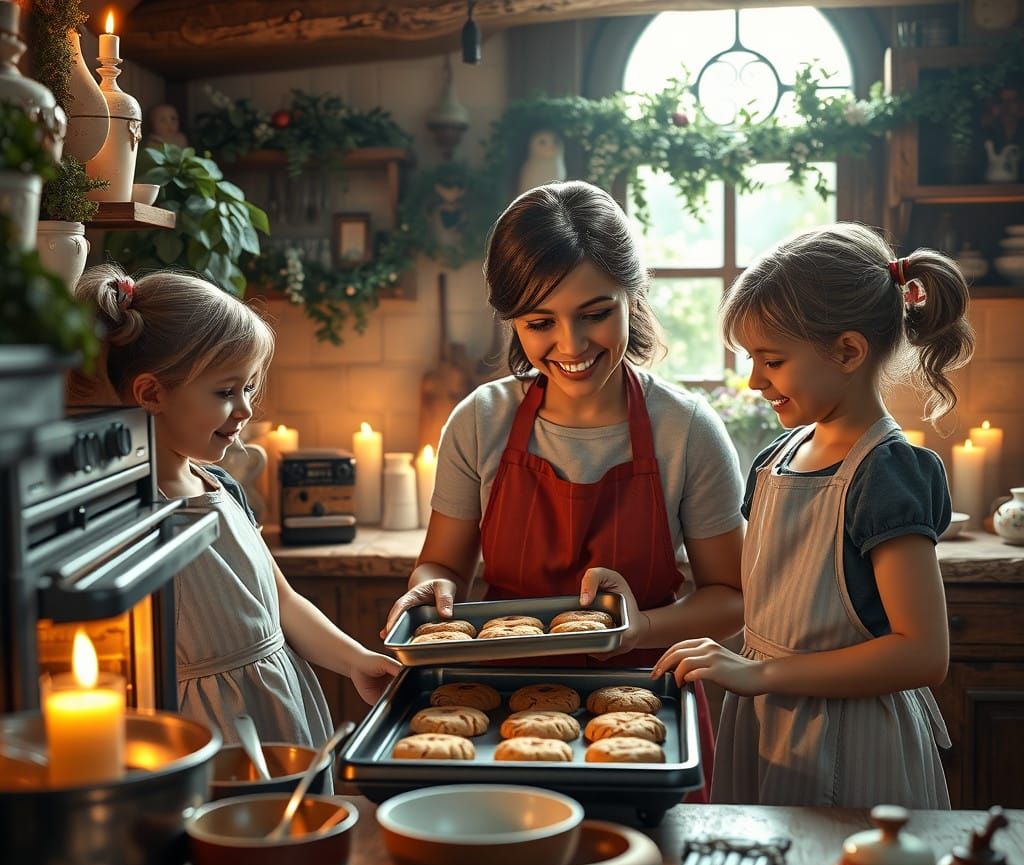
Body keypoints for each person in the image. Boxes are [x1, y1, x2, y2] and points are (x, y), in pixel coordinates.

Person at [383, 181, 746, 801]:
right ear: (511, 322)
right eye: (540, 322)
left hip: (647, 712)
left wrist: (638, 627)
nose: (572, 346)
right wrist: (429, 589)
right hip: (494, 716)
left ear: (634, 297)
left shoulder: (686, 428)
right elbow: (442, 562)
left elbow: (734, 599)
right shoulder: (480, 421)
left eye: (596, 313)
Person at [653, 223, 975, 809]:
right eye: (752, 359)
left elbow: (924, 653)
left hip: (855, 744)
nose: (754, 381)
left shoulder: (886, 473)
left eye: (772, 360)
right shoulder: (776, 459)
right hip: (767, 726)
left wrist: (762, 676)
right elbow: (772, 604)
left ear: (848, 351)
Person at [75, 265, 400, 748]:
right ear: (151, 393)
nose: (246, 409)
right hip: (202, 734)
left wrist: (354, 660)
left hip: (279, 709)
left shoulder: (220, 484)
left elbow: (282, 602)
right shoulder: (124, 513)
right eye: (226, 392)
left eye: (248, 388)